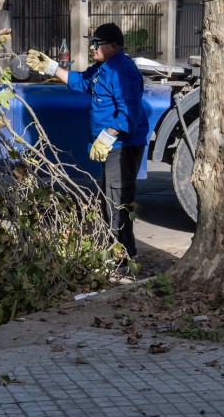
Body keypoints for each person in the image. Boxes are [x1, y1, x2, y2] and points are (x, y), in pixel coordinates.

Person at [26, 23, 148, 261]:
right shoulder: (103, 68)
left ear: (113, 46)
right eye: (91, 43)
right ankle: (119, 253)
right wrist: (51, 67)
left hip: (123, 146)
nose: (91, 47)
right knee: (110, 199)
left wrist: (108, 135)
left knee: (117, 203)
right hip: (112, 144)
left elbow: (129, 113)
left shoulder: (123, 71)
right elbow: (82, 82)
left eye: (96, 43)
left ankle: (122, 257)